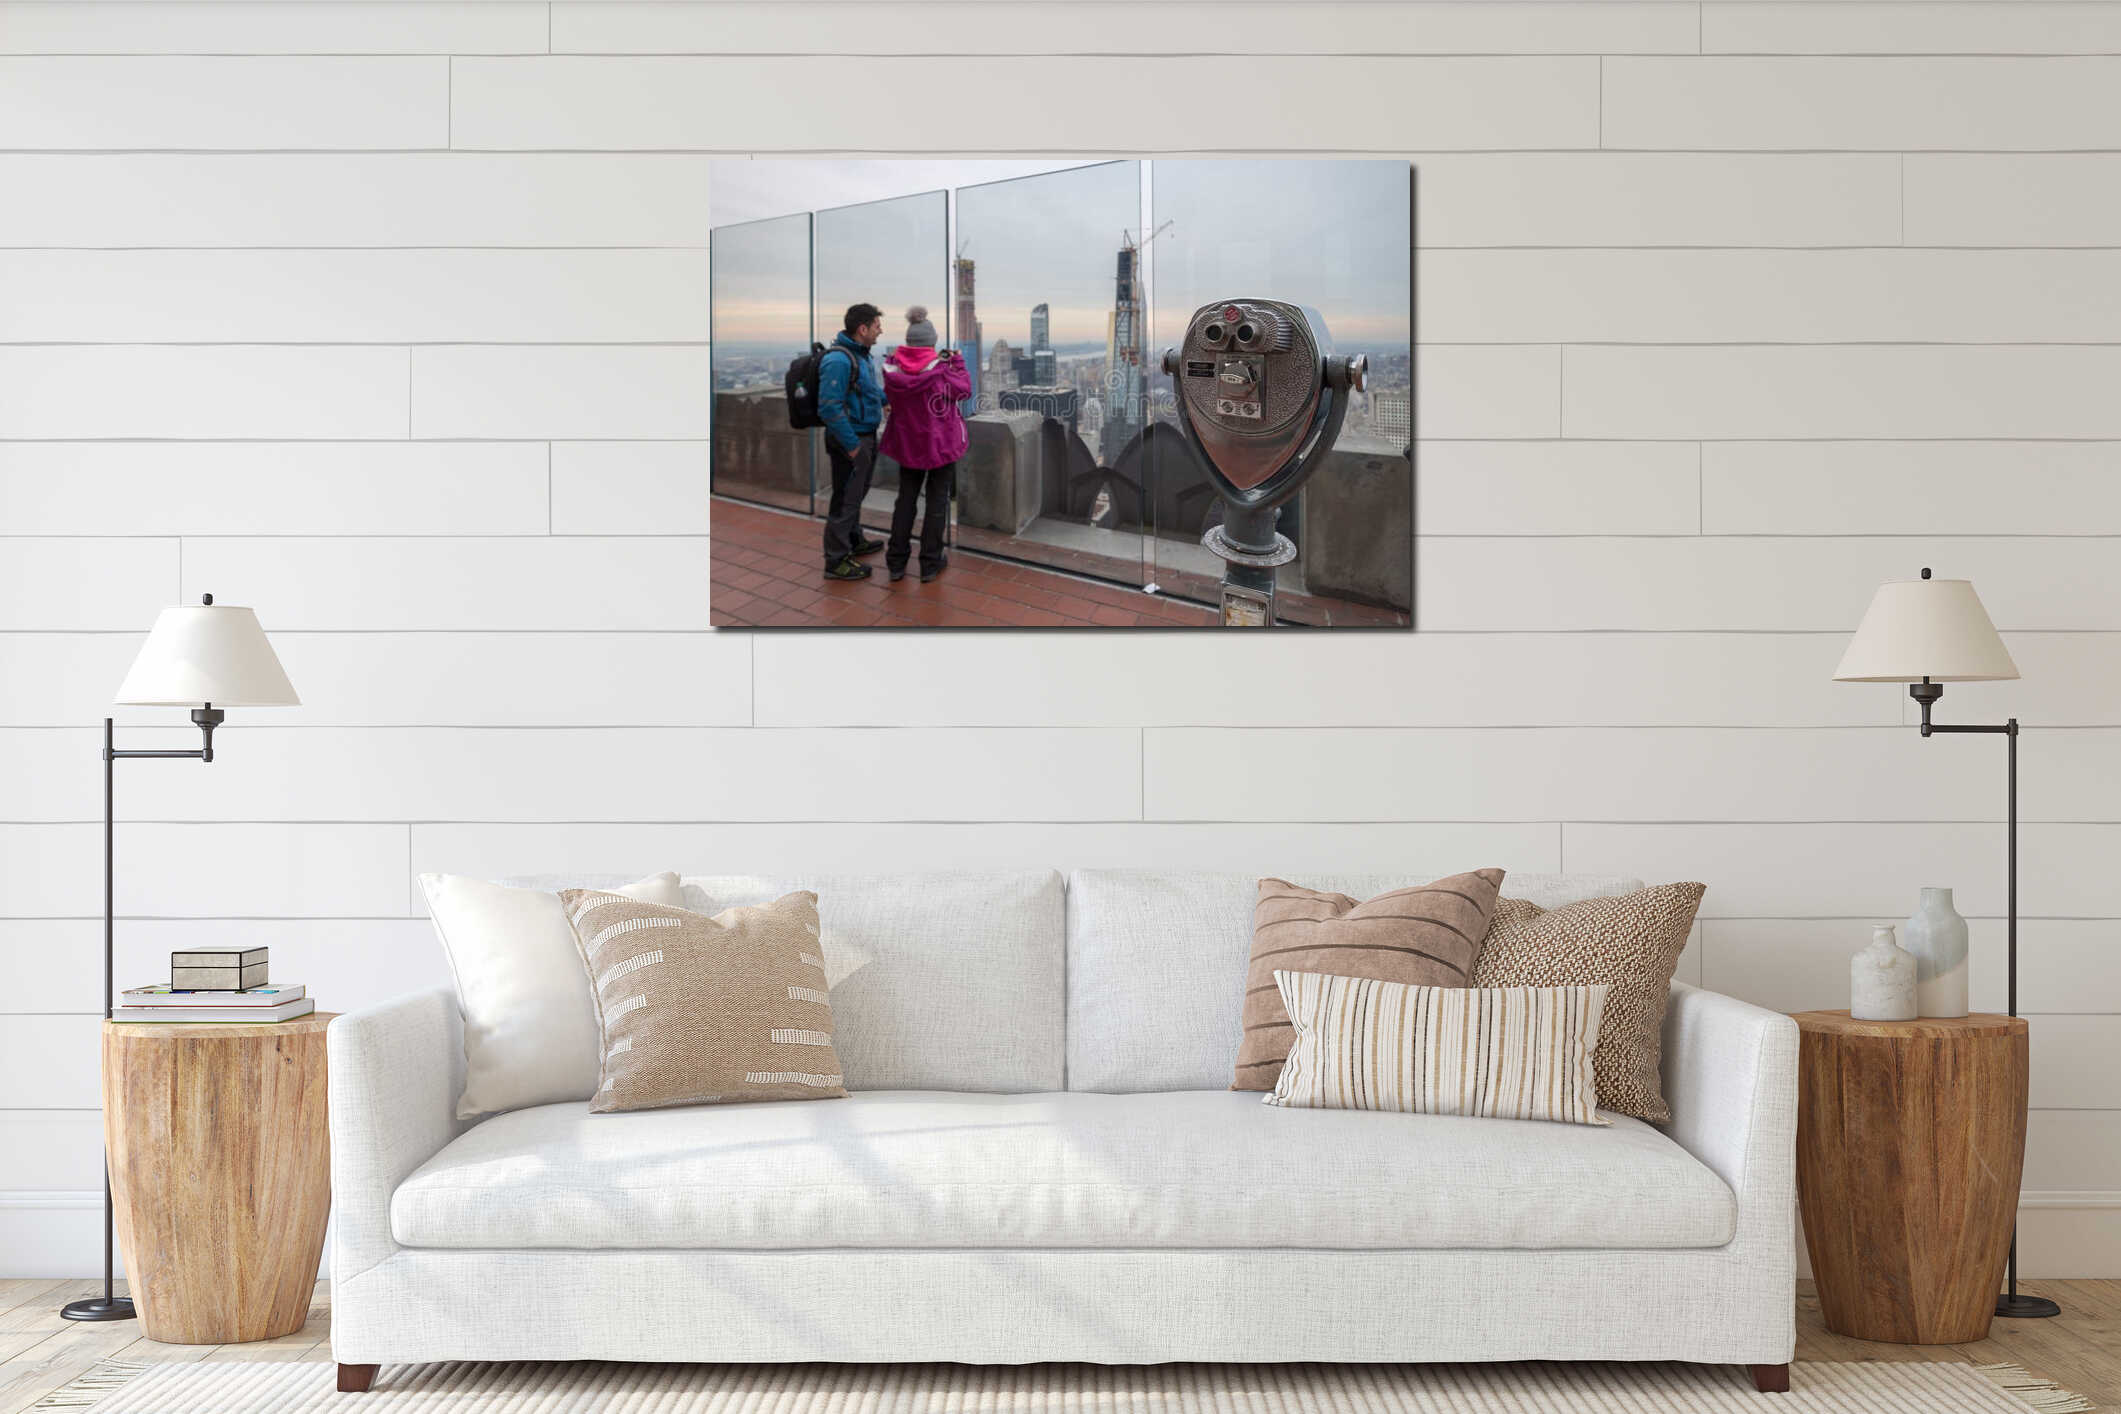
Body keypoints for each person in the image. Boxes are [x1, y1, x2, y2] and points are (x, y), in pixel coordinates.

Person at [876, 306, 970, 583]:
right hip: (940, 444)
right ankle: (930, 562)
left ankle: (896, 562)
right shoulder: (941, 370)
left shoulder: (893, 369)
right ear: (932, 342)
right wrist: (958, 363)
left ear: (909, 341)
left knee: (905, 500)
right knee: (937, 501)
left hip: (908, 445)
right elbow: (964, 389)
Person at [817, 302, 887, 580]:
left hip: (864, 435)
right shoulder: (839, 360)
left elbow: (868, 389)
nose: (880, 331)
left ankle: (854, 539)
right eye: (877, 326)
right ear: (863, 328)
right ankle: (835, 561)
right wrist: (853, 446)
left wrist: (885, 401)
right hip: (851, 440)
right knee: (845, 499)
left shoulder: (863, 356)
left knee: (856, 493)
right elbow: (829, 408)